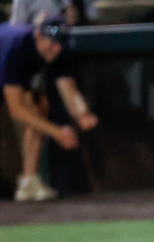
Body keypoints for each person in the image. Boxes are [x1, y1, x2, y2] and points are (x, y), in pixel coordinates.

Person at [1, 15, 97, 202]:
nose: (57, 49)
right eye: (52, 43)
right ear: (38, 37)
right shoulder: (16, 47)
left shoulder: (56, 51)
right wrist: (57, 132)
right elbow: (16, 109)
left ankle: (28, 181)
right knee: (32, 111)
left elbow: (68, 87)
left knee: (39, 107)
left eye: (60, 44)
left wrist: (82, 113)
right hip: (5, 66)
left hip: (12, 77)